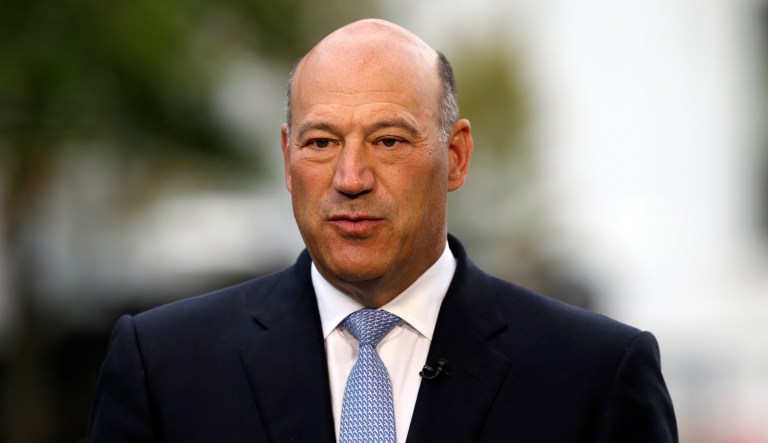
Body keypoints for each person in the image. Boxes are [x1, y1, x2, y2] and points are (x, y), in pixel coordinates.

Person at [88, 19, 678, 443]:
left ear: (456, 156)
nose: (350, 177)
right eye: (322, 143)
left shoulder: (594, 374)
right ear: (287, 158)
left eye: (388, 141)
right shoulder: (164, 366)